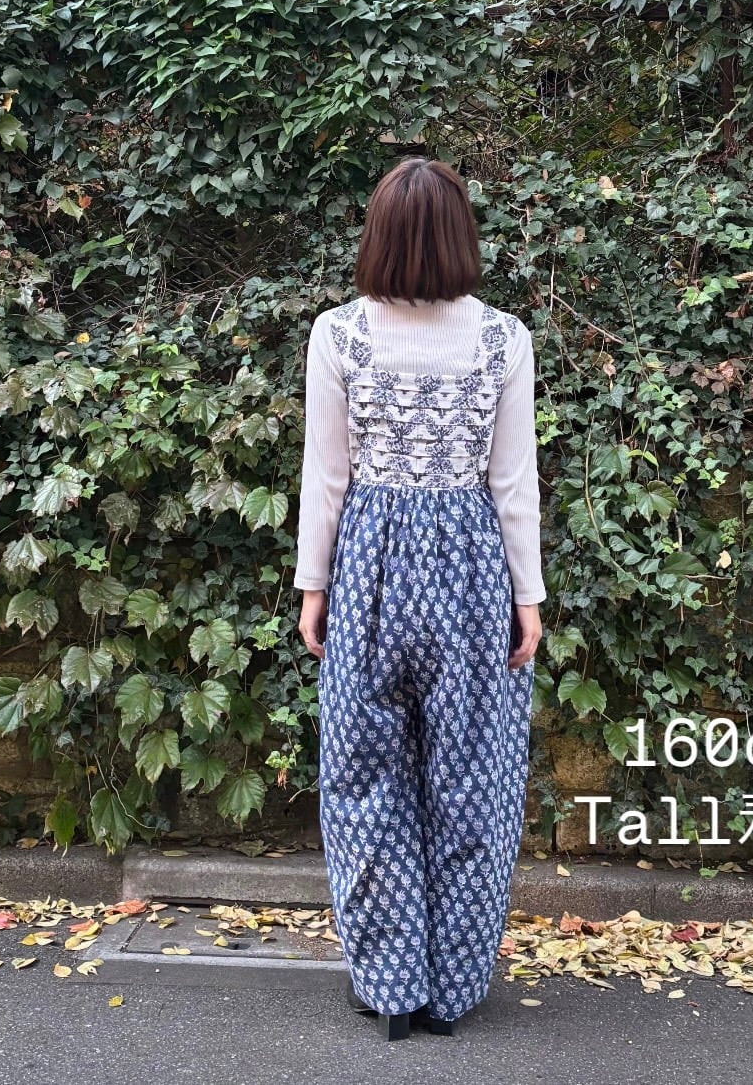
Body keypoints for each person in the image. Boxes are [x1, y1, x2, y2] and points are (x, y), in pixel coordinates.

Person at [293, 156, 546, 1040]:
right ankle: (451, 988)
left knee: (364, 779)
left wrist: (313, 586)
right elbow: (511, 481)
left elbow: (326, 475)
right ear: (460, 236)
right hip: (470, 570)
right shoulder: (502, 338)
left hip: (368, 567)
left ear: (378, 236)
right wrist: (527, 595)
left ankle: (390, 983)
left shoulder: (340, 333)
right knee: (473, 780)